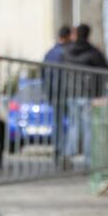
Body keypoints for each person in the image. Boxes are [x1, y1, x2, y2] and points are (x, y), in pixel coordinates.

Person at [62, 23, 108, 164]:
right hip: (89, 94)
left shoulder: (67, 51)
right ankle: (88, 159)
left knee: (74, 125)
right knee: (89, 127)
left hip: (72, 93)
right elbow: (107, 69)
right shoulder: (93, 52)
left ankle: (69, 155)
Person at [42, 26, 72, 167]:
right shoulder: (66, 53)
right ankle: (65, 153)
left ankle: (59, 152)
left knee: (58, 125)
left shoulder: (49, 53)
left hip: (53, 94)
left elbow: (43, 75)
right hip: (66, 93)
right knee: (72, 124)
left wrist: (47, 92)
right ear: (67, 36)